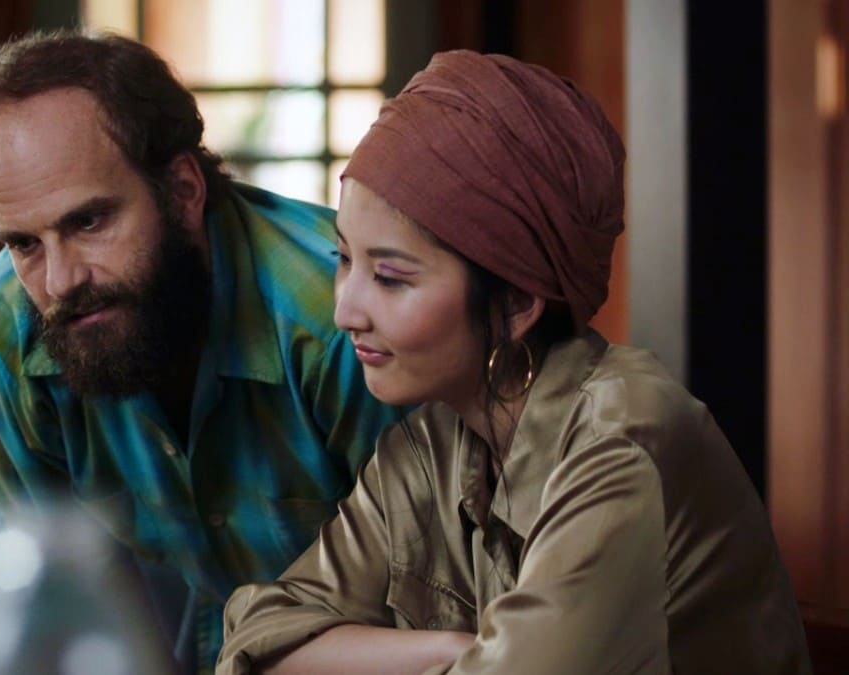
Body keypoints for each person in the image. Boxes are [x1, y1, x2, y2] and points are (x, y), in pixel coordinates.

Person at [216, 50, 810, 675]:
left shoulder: (622, 442)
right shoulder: (428, 449)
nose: (345, 311)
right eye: (343, 260)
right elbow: (255, 638)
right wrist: (449, 650)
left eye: (390, 277)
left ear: (519, 302)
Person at [0, 29, 406, 672]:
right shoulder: (5, 333)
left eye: (89, 222)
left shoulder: (342, 322)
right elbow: (51, 601)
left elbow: (437, 605)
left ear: (184, 191)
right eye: (24, 244)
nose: (60, 282)